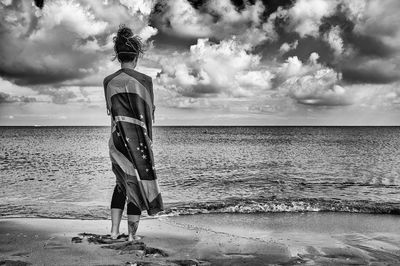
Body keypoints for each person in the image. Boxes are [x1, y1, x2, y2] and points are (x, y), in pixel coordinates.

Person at [103, 25, 163, 242]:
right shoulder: (145, 81)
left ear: (118, 56)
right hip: (138, 141)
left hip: (117, 141)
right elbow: (149, 113)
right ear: (136, 57)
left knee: (121, 183)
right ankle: (130, 236)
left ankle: (113, 231)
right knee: (136, 185)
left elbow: (113, 111)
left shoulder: (108, 81)